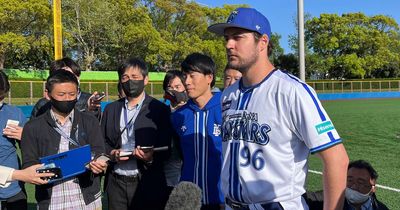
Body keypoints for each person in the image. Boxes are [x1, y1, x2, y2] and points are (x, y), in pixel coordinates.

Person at [208, 7, 349, 209]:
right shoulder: (229, 95)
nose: (229, 45)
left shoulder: (291, 91)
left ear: (262, 42)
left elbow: (337, 159)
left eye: (238, 37)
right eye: (227, 38)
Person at [21, 70, 107, 209]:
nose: (67, 98)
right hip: (52, 202)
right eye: (61, 95)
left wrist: (98, 163)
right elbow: (29, 163)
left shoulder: (89, 121)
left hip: (87, 201)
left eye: (72, 94)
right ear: (48, 94)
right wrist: (42, 171)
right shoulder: (32, 127)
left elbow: (99, 151)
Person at [101, 58, 172, 210]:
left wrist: (150, 158)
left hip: (146, 182)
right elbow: (102, 142)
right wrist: (112, 153)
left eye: (135, 77)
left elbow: (167, 148)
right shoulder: (110, 109)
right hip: (116, 182)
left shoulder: (159, 110)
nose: (129, 81)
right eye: (125, 77)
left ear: (146, 79)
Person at [171, 53, 224, 210]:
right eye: (185, 76)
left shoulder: (227, 108)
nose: (187, 82)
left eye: (192, 76)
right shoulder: (179, 115)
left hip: (223, 199)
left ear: (209, 77)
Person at [30, 57, 102, 119]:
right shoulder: (42, 104)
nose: (68, 80)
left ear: (78, 77)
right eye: (62, 76)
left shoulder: (89, 101)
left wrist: (91, 110)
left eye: (71, 75)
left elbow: (93, 127)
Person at [303, 160, 389, 210]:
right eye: (349, 180)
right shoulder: (325, 199)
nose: (354, 186)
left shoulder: (381, 208)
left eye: (361, 182)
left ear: (373, 187)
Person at [0, 71, 28, 209]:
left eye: (1, 97)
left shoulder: (15, 112)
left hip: (14, 187)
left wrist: (26, 136)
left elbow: (29, 148)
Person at [161, 70, 187, 192]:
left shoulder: (191, 110)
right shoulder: (161, 111)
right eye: (169, 87)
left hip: (187, 164)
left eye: (177, 87)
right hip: (169, 165)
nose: (173, 90)